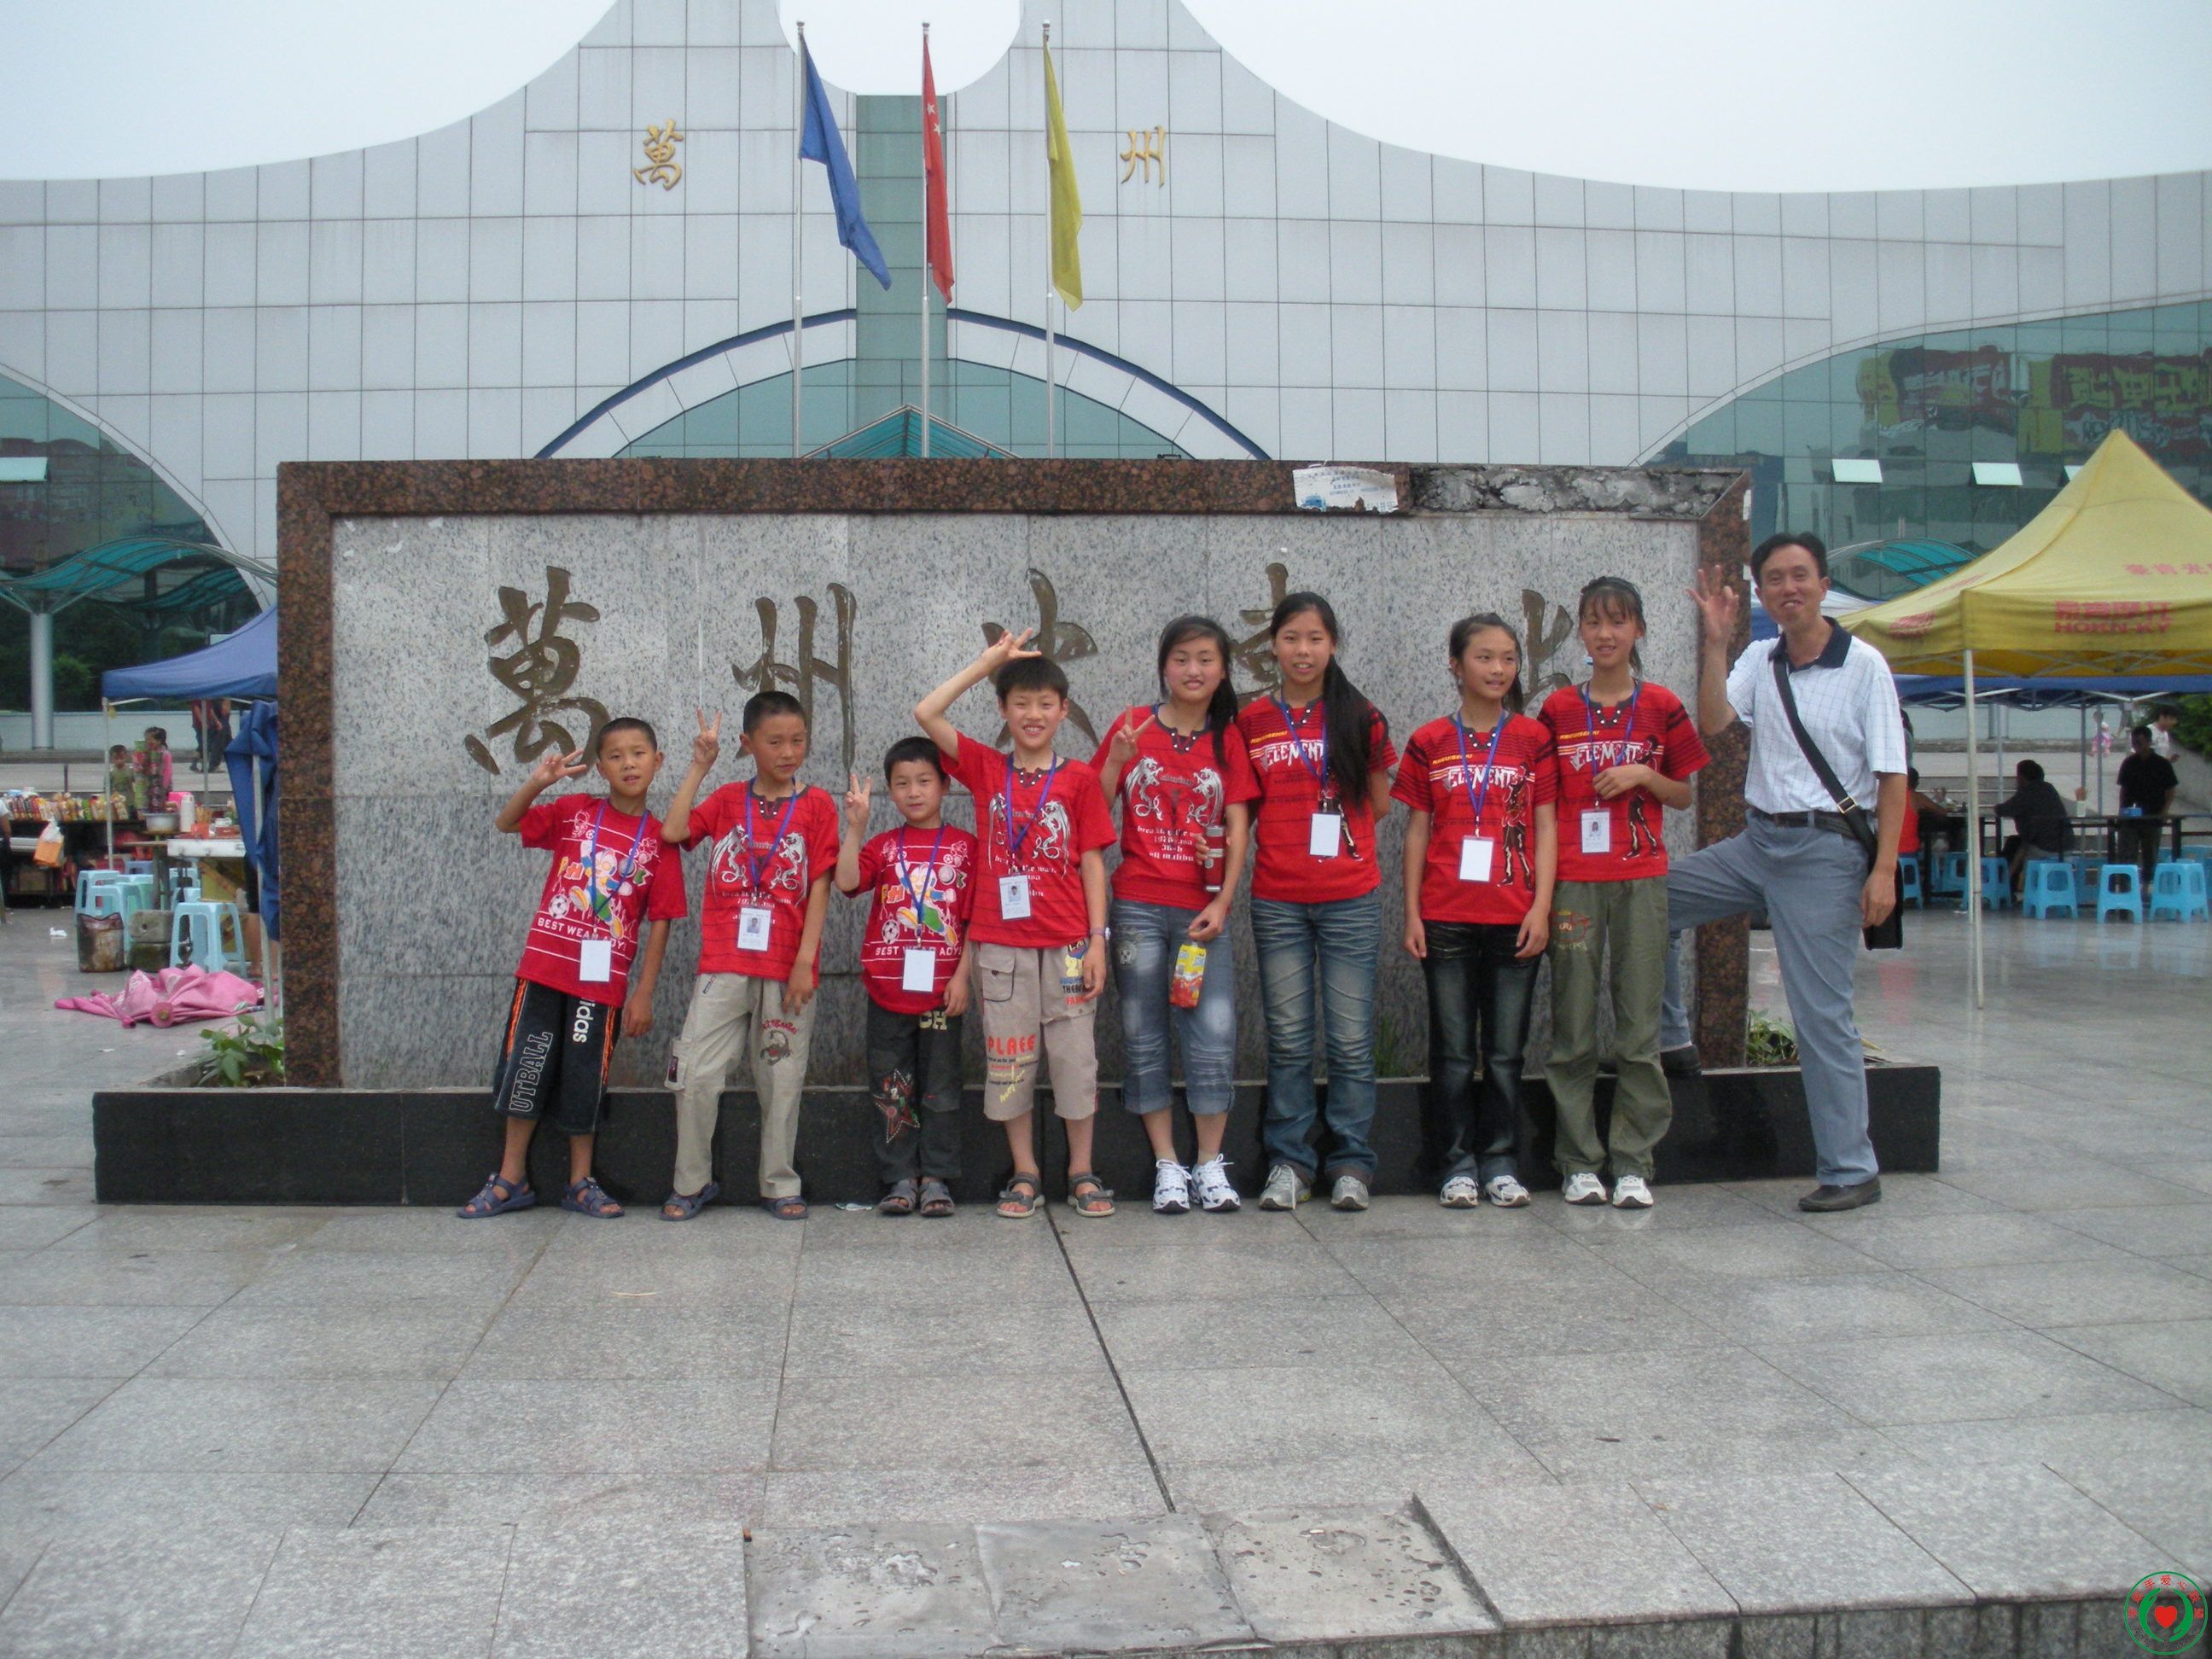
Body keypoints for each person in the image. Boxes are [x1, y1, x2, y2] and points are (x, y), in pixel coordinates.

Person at [1671, 532, 1906, 1214]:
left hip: (1825, 853)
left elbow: (1893, 776)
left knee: (1821, 1014)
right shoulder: (1759, 657)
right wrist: (1716, 644)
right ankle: (1671, 1038)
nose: (1788, 588)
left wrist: (1884, 870)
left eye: (1800, 575)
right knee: (1648, 901)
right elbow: (1714, 721)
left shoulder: (1864, 666)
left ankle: (1851, 1168)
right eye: (1774, 579)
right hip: (1758, 841)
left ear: (1824, 584)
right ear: (1761, 591)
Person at [916, 630, 1118, 1220]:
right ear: (1003, 710)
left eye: (1045, 704)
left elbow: (1092, 862)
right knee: (1010, 1063)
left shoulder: (1079, 779)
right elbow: (927, 713)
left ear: (1063, 710)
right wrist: (987, 663)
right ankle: (1025, 1171)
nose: (1033, 714)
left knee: (1076, 1061)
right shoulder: (985, 767)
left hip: (1070, 944)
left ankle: (1081, 1171)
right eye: (1021, 704)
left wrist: (1098, 940)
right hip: (1001, 947)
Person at [458, 719, 684, 1220]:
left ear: (657, 761)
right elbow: (507, 822)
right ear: (600, 767)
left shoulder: (661, 839)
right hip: (544, 969)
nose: (628, 764)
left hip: (602, 985)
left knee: (585, 1077)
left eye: (639, 753)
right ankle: (510, 1177)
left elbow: (662, 921)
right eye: (616, 756)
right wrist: (538, 782)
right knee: (526, 1067)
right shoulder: (576, 811)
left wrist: (643, 993)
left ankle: (581, 1182)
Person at [1538, 578, 1708, 1209]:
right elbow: (1543, 800)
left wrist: (1644, 774)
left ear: (1638, 630)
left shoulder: (1662, 705)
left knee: (1638, 1027)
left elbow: (1684, 794)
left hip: (1641, 879)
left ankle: (1633, 1161)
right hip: (1574, 883)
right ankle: (1578, 1161)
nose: (1605, 634)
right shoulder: (1558, 710)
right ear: (1581, 632)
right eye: (1594, 622)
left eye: (1618, 621)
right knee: (1573, 1026)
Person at [1237, 592, 1399, 1213]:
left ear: (1332, 645)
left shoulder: (1361, 716)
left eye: (1315, 639)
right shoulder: (1254, 721)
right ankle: (1290, 1162)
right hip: (1277, 899)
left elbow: (1379, 802)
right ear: (1273, 646)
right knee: (1288, 1039)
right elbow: (1245, 811)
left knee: (1352, 1040)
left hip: (1349, 899)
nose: (1302, 651)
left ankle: (1352, 1163)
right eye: (1291, 639)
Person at [1092, 617, 1259, 1215]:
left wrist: (1223, 901)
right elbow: (1094, 811)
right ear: (1164, 666)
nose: (1194, 670)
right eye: (1182, 658)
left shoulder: (1228, 738)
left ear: (1223, 669)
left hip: (1200, 914)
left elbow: (1238, 827)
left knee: (1212, 1034)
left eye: (1206, 659)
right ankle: (1167, 1164)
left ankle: (1209, 1163)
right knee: (1144, 1034)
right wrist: (1116, 759)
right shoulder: (1133, 724)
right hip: (1138, 906)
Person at [1396, 614, 1557, 1208]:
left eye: (1508, 658)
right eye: (1484, 657)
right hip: (1446, 916)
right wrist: (1412, 914)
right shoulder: (1430, 741)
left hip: (1515, 915)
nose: (1498, 669)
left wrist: (1541, 907)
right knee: (1454, 1053)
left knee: (1507, 1054)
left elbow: (1546, 826)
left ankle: (1501, 1162)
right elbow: (1417, 831)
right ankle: (1457, 1164)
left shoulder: (1534, 739)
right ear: (1456, 665)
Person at [660, 698, 838, 1220]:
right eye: (774, 741)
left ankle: (779, 1183)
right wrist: (699, 766)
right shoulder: (726, 800)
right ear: (747, 743)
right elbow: (673, 832)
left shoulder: (817, 805)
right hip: (723, 962)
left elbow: (821, 884)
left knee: (782, 1080)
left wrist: (806, 961)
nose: (788, 752)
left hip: (786, 967)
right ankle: (691, 1182)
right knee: (695, 1074)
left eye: (798, 740)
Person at [836, 737, 977, 1218]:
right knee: (891, 1086)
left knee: (941, 1086)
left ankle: (936, 1177)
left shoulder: (966, 848)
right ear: (890, 791)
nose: (914, 792)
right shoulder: (883, 846)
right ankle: (898, 1176)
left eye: (924, 781)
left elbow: (974, 920)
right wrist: (856, 828)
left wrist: (963, 977)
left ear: (945, 785)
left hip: (942, 992)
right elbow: (847, 881)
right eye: (901, 784)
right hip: (887, 988)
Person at [1994, 759, 2070, 894]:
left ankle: (2006, 886)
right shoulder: (2049, 789)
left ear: (2021, 777)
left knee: (2014, 847)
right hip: (2066, 844)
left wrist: (1996, 807)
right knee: (2017, 843)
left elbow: (2003, 810)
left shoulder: (2027, 792)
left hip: (2045, 846)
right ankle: (2007, 884)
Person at [2116, 724, 2180, 884]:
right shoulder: (2129, 763)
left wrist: (2164, 811)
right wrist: (2122, 811)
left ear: (2149, 742)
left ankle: (2146, 886)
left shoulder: (2161, 764)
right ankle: (2126, 887)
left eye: (2139, 742)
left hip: (2153, 815)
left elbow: (2170, 790)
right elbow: (2123, 789)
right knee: (2126, 854)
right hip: (2130, 816)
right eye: (2134, 742)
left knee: (2150, 855)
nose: (2136, 746)